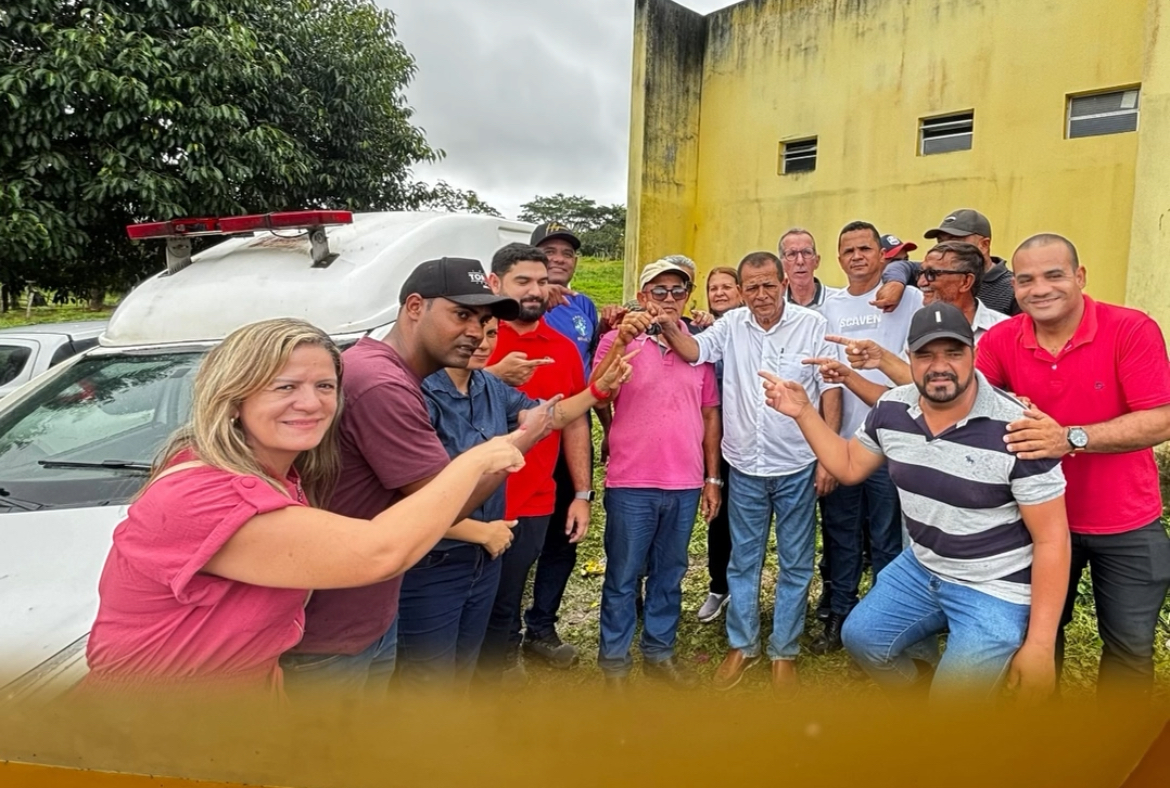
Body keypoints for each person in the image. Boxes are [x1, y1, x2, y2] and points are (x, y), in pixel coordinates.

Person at [84, 318, 526, 695]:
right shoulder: (202, 494)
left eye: (325, 386)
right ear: (235, 399)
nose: (311, 403)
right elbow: (379, 551)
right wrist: (475, 462)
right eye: (285, 387)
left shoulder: (274, 477)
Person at [761, 302, 1071, 701]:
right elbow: (851, 466)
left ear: (973, 355)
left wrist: (1041, 646)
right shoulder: (892, 409)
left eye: (953, 353)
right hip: (923, 566)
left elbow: (1052, 540)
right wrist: (803, 411)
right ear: (909, 357)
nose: (939, 366)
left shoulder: (1019, 429)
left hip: (995, 585)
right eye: (926, 354)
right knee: (862, 639)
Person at [280, 257, 546, 697]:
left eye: (483, 320)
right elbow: (440, 507)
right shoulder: (383, 384)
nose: (477, 333)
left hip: (367, 604)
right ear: (415, 307)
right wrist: (515, 445)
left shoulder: (384, 372)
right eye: (461, 314)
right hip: (335, 626)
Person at [976, 233, 1170, 694]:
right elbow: (972, 403)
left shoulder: (1130, 329)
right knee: (1038, 640)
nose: (1039, 289)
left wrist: (1068, 438)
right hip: (1038, 521)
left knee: (1129, 647)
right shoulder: (1003, 339)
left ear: (1080, 277)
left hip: (1125, 521)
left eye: (1053, 275)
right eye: (1026, 280)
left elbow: (1161, 419)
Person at [396, 317, 632, 692]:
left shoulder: (490, 386)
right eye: (472, 333)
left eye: (490, 334)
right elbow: (411, 494)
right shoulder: (418, 393)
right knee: (425, 672)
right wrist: (479, 531)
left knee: (467, 658)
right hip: (436, 555)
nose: (483, 342)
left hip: (484, 551)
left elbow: (547, 416)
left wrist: (596, 392)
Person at [654, 251, 842, 695]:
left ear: (783, 283)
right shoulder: (730, 326)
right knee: (743, 562)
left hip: (797, 464)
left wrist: (828, 454)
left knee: (796, 563)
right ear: (741, 291)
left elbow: (831, 391)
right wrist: (665, 321)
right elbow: (694, 349)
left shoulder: (813, 325)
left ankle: (784, 652)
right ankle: (743, 645)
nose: (761, 295)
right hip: (746, 465)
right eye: (751, 287)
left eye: (768, 285)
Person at [591, 259, 721, 689]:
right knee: (624, 576)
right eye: (658, 290)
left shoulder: (699, 348)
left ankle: (658, 652)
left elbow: (709, 415)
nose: (668, 298)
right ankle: (613, 662)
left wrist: (711, 477)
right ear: (644, 295)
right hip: (632, 481)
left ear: (687, 298)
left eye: (677, 291)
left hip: (684, 481)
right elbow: (597, 393)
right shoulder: (617, 338)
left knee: (670, 572)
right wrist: (619, 343)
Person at [481, 242, 593, 684]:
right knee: (480, 597)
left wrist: (582, 492)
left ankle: (505, 659)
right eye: (522, 281)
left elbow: (575, 421)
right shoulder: (478, 340)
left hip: (536, 496)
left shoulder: (563, 348)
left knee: (509, 592)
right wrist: (492, 375)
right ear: (495, 284)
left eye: (541, 282)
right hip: (476, 498)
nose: (534, 291)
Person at [813, 221, 922, 654]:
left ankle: (885, 620)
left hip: (896, 442)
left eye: (865, 249)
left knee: (886, 538)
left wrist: (901, 277)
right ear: (839, 259)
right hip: (848, 442)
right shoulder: (829, 308)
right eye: (848, 251)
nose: (857, 256)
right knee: (840, 534)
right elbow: (827, 384)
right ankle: (840, 613)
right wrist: (831, 443)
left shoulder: (910, 299)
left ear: (882, 255)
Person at [816, 241, 1009, 408]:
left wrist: (883, 359)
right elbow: (896, 398)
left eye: (933, 274)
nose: (922, 282)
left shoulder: (1004, 331)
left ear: (965, 281)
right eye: (921, 272)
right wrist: (847, 376)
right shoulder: (922, 329)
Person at [696, 266, 743, 624]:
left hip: (752, 440)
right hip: (714, 441)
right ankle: (719, 586)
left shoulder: (750, 332)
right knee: (720, 516)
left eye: (727, 286)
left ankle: (746, 590)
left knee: (750, 520)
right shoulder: (699, 333)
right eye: (714, 288)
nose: (721, 292)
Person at [874, 209, 1019, 316]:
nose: (946, 247)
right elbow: (902, 265)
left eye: (955, 240)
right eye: (941, 241)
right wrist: (895, 283)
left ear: (984, 244)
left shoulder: (1012, 288)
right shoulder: (933, 273)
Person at [780, 227, 838, 309]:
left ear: (817, 261)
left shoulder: (838, 301)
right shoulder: (776, 306)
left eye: (807, 253)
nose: (800, 261)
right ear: (782, 264)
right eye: (792, 254)